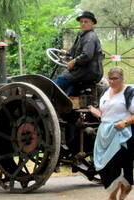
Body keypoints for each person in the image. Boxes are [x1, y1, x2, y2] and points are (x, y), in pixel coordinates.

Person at [89, 67, 134, 200]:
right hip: (105, 134)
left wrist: (124, 122)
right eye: (110, 78)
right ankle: (122, 188)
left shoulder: (129, 93)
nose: (112, 81)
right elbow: (104, 113)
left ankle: (114, 195)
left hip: (121, 135)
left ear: (122, 78)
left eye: (115, 78)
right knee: (105, 167)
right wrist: (96, 112)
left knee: (117, 166)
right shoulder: (106, 92)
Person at [54, 11, 103, 95]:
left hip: (88, 71)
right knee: (70, 86)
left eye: (86, 21)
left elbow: (87, 55)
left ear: (92, 23)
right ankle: (66, 102)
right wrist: (66, 52)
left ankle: (46, 96)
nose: (83, 24)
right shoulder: (82, 35)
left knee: (61, 79)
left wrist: (74, 61)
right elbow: (73, 50)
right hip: (83, 70)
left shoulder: (90, 37)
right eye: (81, 22)